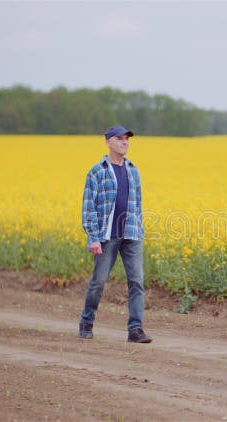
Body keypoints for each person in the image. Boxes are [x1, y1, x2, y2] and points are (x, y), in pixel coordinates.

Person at [78, 125, 152, 343]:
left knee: (137, 281)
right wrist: (93, 237)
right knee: (98, 282)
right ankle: (86, 322)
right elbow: (88, 206)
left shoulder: (133, 170)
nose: (125, 142)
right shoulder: (97, 172)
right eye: (120, 139)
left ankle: (135, 330)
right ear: (108, 142)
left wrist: (139, 228)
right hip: (106, 236)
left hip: (131, 234)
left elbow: (137, 203)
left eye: (127, 139)